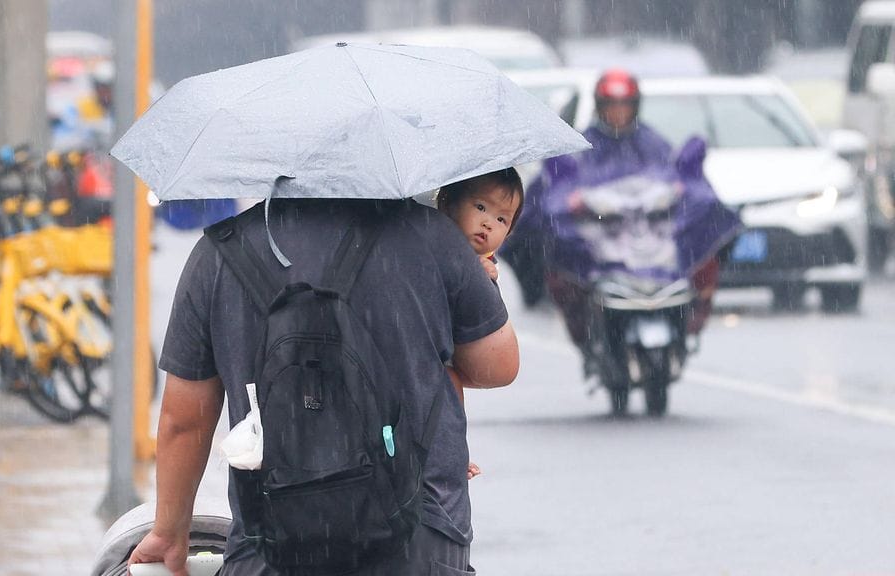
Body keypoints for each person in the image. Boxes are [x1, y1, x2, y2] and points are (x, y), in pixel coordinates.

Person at [129, 197, 519, 575]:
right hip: (418, 534)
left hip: (274, 540)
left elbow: (185, 421)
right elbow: (498, 365)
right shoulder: (431, 236)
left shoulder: (218, 254)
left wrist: (170, 531)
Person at [544, 68, 719, 375]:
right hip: (603, 238)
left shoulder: (653, 143)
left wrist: (677, 192)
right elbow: (559, 190)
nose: (618, 113)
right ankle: (586, 331)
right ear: (600, 106)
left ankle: (691, 318)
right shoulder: (582, 145)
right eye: (611, 106)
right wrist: (576, 203)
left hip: (650, 237)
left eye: (624, 106)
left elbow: (678, 179)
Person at [436, 168, 524, 480]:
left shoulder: (484, 265)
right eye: (481, 208)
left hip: (448, 352)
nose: (489, 223)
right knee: (447, 384)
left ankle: (454, 451)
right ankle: (450, 452)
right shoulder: (437, 246)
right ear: (447, 203)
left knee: (451, 387)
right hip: (427, 350)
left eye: (502, 220)